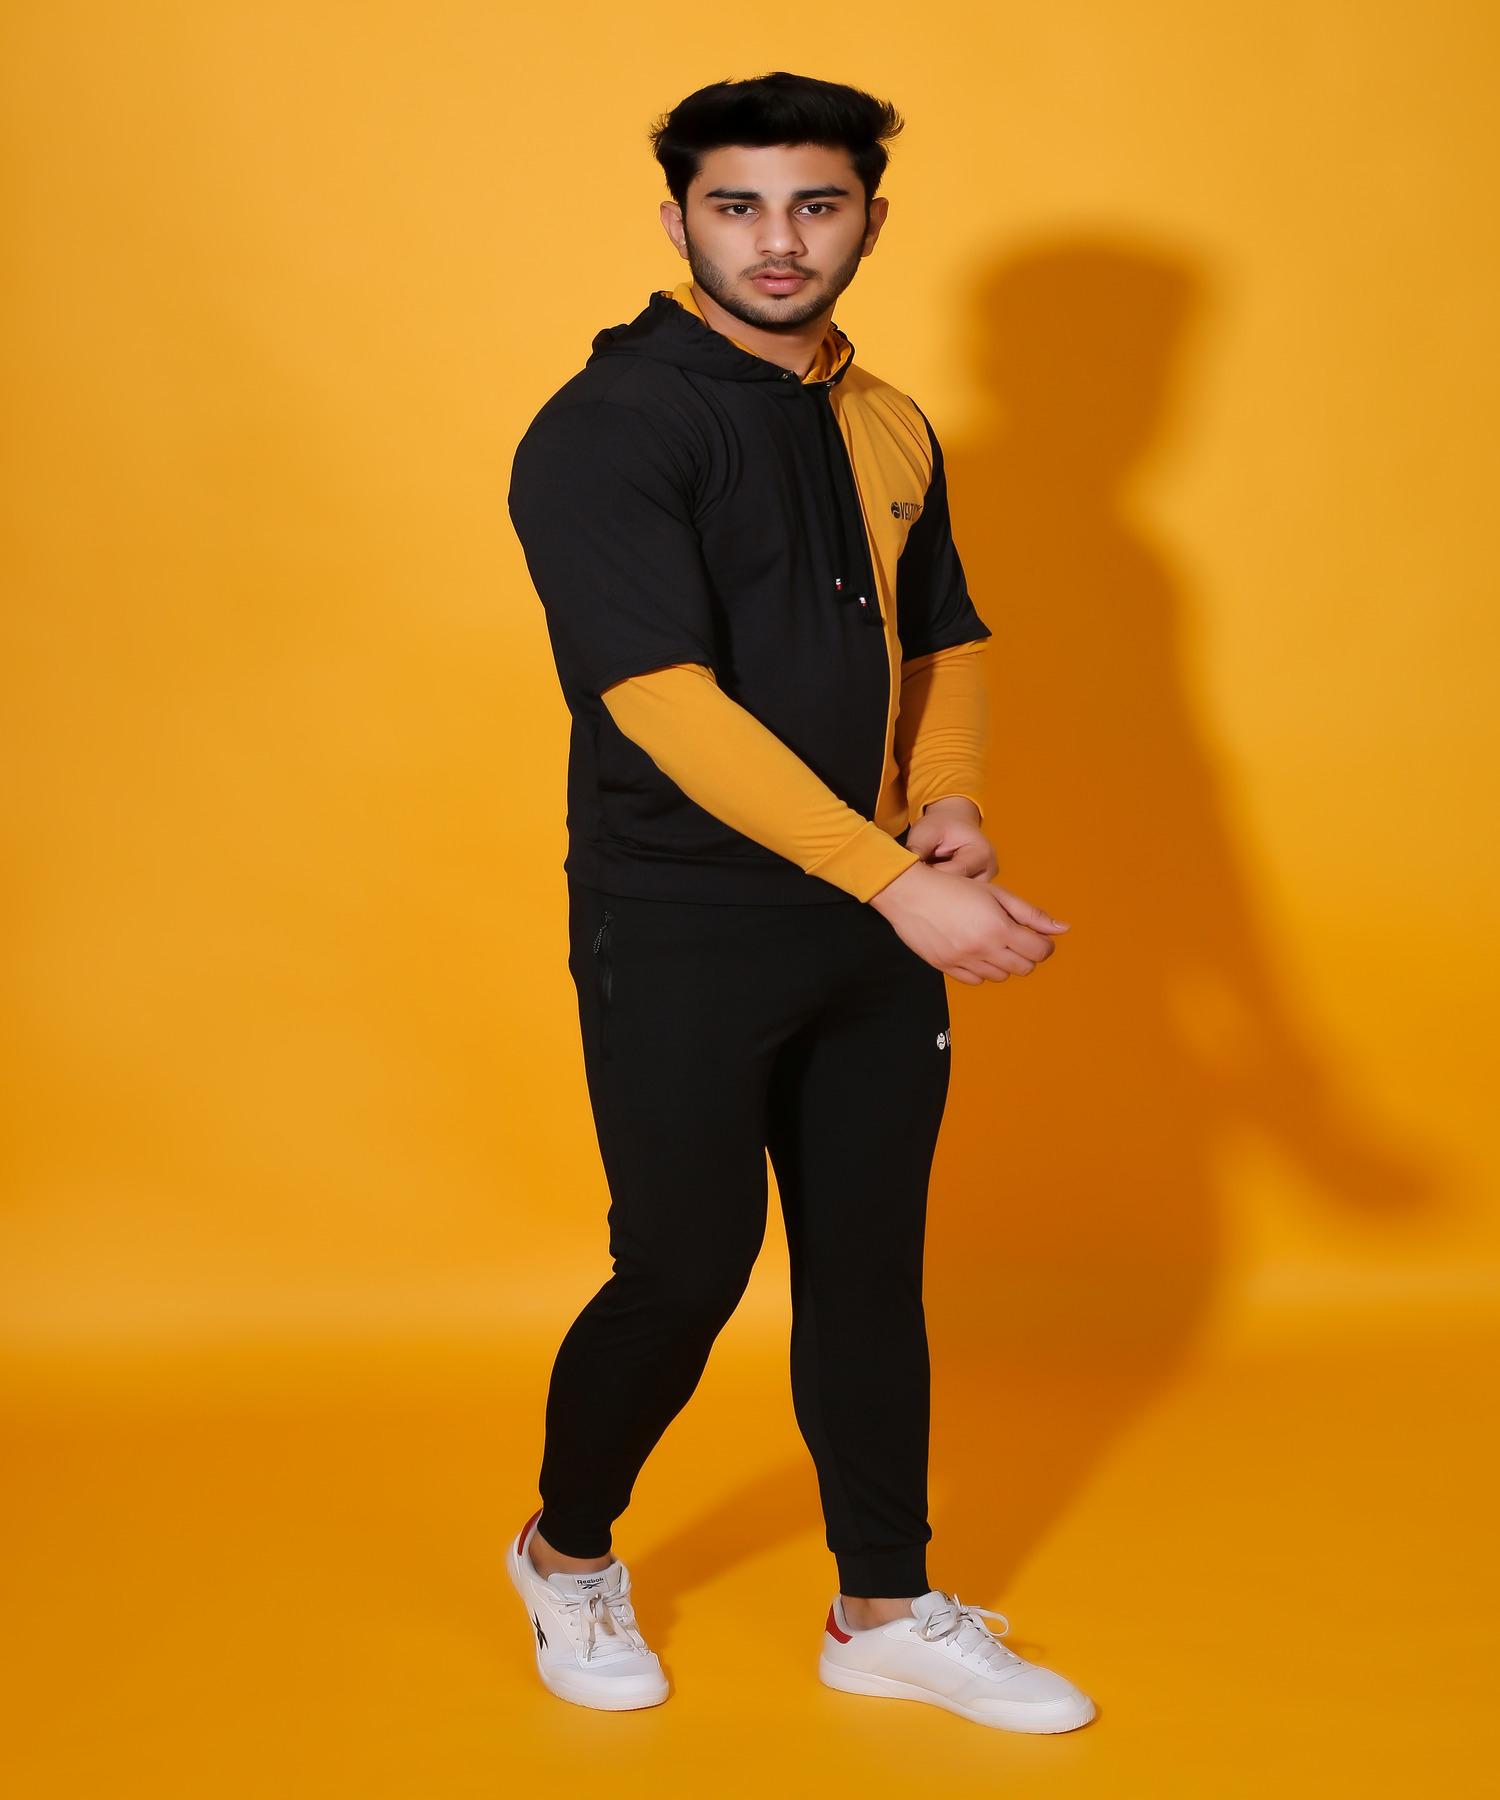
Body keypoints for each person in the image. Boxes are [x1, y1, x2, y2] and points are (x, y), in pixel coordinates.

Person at [504, 70, 1096, 1734]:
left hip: (872, 910)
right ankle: (563, 1554)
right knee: (683, 1268)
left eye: (816, 205)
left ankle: (883, 1607)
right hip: (685, 915)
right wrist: (898, 881)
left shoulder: (887, 418)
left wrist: (947, 795)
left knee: (867, 1268)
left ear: (869, 223)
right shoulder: (608, 427)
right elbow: (661, 701)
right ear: (679, 220)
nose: (779, 240)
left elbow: (944, 632)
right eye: (739, 205)